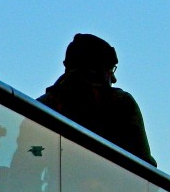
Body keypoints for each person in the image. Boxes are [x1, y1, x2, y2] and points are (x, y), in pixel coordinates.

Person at [39, 33, 155, 165]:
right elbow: (144, 166)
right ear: (98, 70)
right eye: (111, 70)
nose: (114, 79)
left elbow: (25, 158)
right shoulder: (121, 103)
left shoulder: (40, 107)